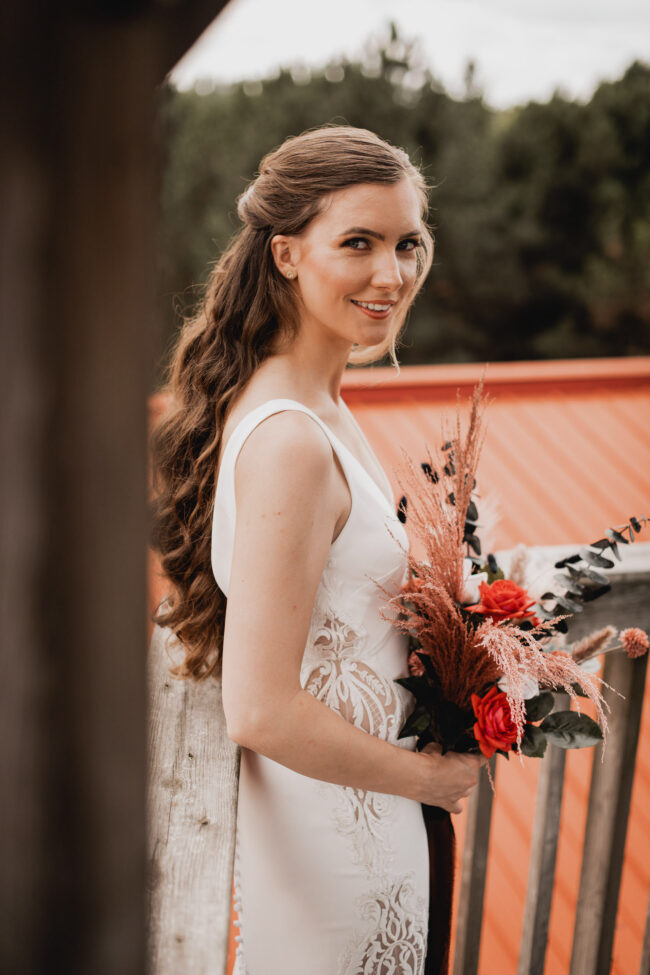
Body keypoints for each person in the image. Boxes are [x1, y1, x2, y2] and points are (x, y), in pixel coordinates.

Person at [149, 124, 484, 975]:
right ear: (287, 254)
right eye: (358, 243)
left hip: (375, 831)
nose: (392, 274)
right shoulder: (291, 440)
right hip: (336, 854)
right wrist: (427, 780)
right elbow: (259, 706)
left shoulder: (321, 406)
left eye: (408, 243)